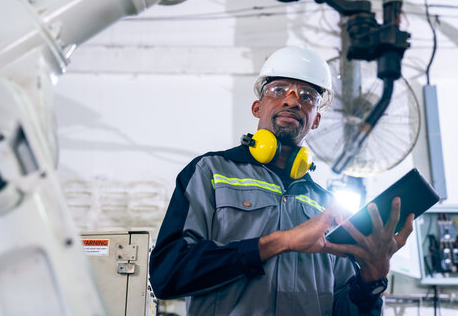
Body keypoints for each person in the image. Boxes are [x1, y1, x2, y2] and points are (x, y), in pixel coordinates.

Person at [149, 45, 414, 315]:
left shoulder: (328, 207)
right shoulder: (210, 172)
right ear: (257, 107)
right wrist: (279, 242)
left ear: (316, 120)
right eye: (278, 90)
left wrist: (372, 280)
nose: (292, 100)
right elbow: (167, 274)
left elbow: (345, 308)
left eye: (307, 96)